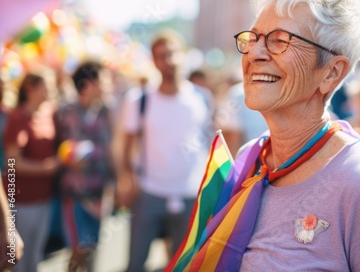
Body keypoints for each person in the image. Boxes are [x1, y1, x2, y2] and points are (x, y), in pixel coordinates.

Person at [168, 0, 360, 271]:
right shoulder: (249, 160)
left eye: (279, 40)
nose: (255, 53)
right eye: (253, 38)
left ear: (331, 73)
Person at [120, 29, 213, 271]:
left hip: (191, 194)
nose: (168, 60)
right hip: (149, 193)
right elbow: (127, 145)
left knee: (183, 265)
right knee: (135, 263)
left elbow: (210, 142)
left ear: (183, 55)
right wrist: (128, 180)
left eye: (172, 53)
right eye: (161, 55)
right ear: (154, 61)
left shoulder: (202, 97)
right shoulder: (139, 99)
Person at [54, 62, 115, 272]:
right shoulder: (65, 113)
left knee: (93, 249)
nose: (109, 86)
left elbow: (111, 152)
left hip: (100, 193)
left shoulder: (107, 112)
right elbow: (58, 151)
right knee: (78, 249)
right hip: (76, 195)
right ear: (88, 85)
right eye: (104, 81)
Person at [3, 73, 59, 272]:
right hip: (22, 199)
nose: (52, 91)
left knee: (36, 255)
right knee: (20, 257)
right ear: (31, 88)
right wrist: (45, 168)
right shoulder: (18, 118)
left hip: (45, 196)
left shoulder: (50, 112)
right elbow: (12, 162)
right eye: (47, 86)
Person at [218, 81, 268, 156]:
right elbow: (231, 133)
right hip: (251, 159)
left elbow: (231, 134)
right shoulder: (237, 93)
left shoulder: (237, 93)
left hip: (253, 159)